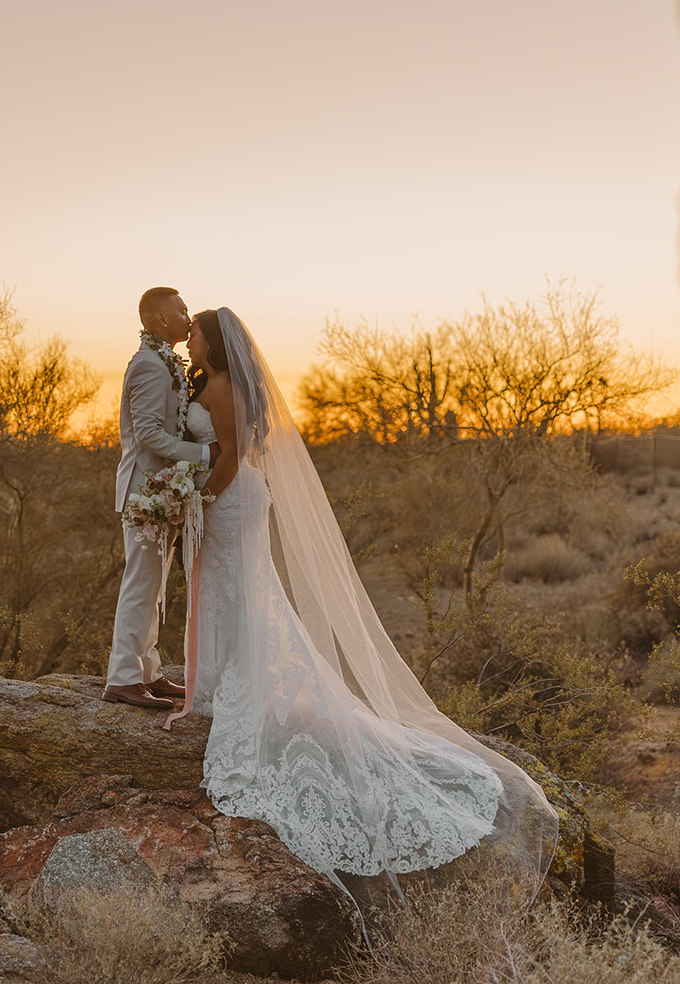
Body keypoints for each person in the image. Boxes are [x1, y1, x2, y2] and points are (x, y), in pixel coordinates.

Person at [163, 308, 558, 892]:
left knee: (241, 591)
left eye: (194, 333)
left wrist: (199, 501)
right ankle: (218, 680)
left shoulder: (220, 385)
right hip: (233, 501)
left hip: (230, 499)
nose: (188, 340)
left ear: (213, 342)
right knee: (236, 591)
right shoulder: (213, 383)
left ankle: (227, 686)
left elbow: (230, 456)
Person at [103, 288, 219, 708]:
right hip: (144, 492)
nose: (188, 317)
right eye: (181, 310)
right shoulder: (149, 366)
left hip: (162, 490)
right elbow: (149, 434)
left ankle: (146, 671)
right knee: (140, 584)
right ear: (159, 321)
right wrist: (206, 454)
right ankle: (122, 678)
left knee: (152, 587)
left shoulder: (163, 359)